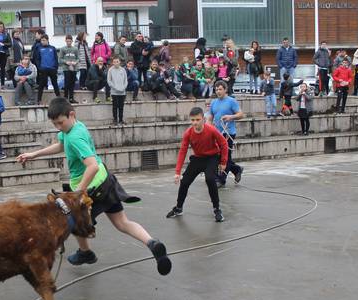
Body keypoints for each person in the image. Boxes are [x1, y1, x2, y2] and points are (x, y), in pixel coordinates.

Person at [16, 97, 172, 275]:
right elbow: (61, 144)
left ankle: (85, 253)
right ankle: (152, 243)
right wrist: (34, 154)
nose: (58, 127)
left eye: (60, 122)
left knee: (73, 222)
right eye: (55, 124)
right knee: (122, 222)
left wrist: (77, 193)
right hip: (105, 181)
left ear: (71, 115)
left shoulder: (74, 137)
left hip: (90, 187)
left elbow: (92, 165)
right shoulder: (75, 126)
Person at [166, 107, 228, 222]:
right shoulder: (188, 133)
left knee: (210, 179)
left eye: (197, 120)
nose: (195, 122)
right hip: (198, 159)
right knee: (184, 182)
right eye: (192, 120)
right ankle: (179, 208)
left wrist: (223, 162)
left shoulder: (211, 130)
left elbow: (223, 143)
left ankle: (217, 209)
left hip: (212, 158)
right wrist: (177, 172)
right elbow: (182, 151)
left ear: (203, 119)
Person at [207, 81, 244, 186]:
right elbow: (210, 117)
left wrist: (231, 117)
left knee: (225, 156)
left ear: (225, 90)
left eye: (220, 89)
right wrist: (208, 127)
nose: (218, 91)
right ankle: (237, 169)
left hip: (228, 133)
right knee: (218, 156)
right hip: (217, 133)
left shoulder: (231, 101)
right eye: (216, 89)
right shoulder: (213, 102)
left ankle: (221, 179)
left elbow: (241, 114)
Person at [34, 35, 60, 104]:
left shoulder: (53, 48)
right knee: (41, 85)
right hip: (43, 69)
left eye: (44, 40)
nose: (43, 42)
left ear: (47, 40)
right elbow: (37, 59)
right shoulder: (39, 48)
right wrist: (40, 68)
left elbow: (56, 59)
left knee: (55, 84)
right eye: (41, 40)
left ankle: (59, 97)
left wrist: (56, 68)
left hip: (52, 69)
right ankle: (39, 100)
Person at [107, 56, 127, 126]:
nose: (116, 63)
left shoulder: (123, 70)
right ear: (112, 62)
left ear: (120, 62)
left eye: (117, 61)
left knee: (121, 107)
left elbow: (126, 81)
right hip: (114, 92)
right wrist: (116, 88)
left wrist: (123, 88)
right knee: (115, 106)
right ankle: (115, 120)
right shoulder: (110, 70)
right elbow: (109, 81)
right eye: (114, 62)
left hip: (122, 92)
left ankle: (121, 120)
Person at [58, 35, 79, 103]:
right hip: (66, 68)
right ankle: (65, 97)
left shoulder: (75, 49)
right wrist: (66, 62)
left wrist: (75, 62)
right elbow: (60, 59)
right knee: (67, 83)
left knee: (72, 83)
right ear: (65, 41)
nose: (68, 42)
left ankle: (71, 98)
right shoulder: (62, 49)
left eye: (70, 41)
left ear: (72, 41)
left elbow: (78, 58)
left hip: (74, 68)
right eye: (67, 41)